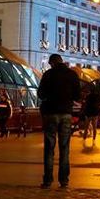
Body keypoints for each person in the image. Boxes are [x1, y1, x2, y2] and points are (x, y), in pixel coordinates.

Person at [37, 54, 81, 188]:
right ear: (61, 62)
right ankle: (64, 180)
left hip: (50, 113)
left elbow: (40, 94)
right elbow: (77, 95)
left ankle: (48, 180)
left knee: (49, 147)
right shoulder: (72, 75)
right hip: (66, 113)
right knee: (64, 147)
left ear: (52, 63)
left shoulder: (48, 75)